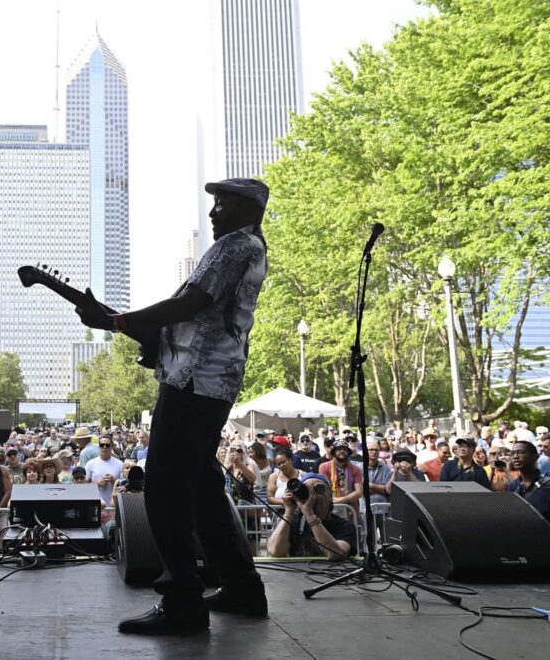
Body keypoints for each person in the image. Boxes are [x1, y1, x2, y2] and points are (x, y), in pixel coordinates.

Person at [76, 177, 269, 635]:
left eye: (222, 203)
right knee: (202, 484)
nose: (213, 211)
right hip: (214, 381)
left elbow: (190, 303)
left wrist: (118, 319)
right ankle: (242, 587)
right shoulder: (252, 248)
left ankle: (182, 600)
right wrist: (136, 330)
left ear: (247, 208)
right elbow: (199, 317)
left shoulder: (232, 247)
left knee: (163, 485)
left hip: (193, 382)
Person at [268, 474, 357, 560]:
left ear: (330, 495)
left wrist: (309, 515)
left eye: (319, 489)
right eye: (307, 490)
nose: (313, 496)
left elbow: (336, 554)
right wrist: (289, 511)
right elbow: (275, 552)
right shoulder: (292, 522)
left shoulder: (344, 526)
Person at [319, 439, 363, 514]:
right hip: (331, 509)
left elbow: (359, 492)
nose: (342, 451)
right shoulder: (324, 467)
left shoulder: (356, 469)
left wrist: (341, 500)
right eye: (339, 449)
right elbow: (325, 489)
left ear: (348, 452)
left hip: (351, 510)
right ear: (333, 452)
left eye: (344, 449)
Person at [85, 436, 125, 506]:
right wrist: (97, 483)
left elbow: (124, 487)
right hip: (97, 504)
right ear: (99, 447)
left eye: (107, 445)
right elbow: (84, 485)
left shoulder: (120, 464)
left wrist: (114, 481)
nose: (104, 447)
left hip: (115, 505)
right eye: (102, 445)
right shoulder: (90, 464)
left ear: (111, 447)